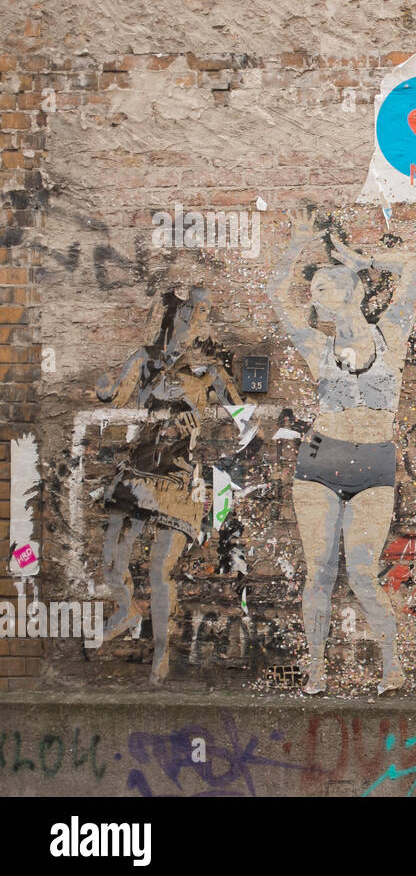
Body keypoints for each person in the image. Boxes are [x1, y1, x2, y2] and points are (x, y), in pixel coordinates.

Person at [268, 209, 416, 695]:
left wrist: (362, 258)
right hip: (320, 462)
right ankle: (315, 671)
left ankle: (391, 667)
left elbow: (414, 265)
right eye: (315, 292)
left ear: (352, 290)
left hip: (375, 465)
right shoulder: (317, 346)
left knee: (360, 573)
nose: (317, 296)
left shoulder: (392, 335)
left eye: (327, 286)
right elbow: (277, 294)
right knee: (320, 571)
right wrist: (295, 247)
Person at [96, 288, 255, 684]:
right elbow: (114, 394)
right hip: (138, 470)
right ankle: (125, 608)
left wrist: (225, 476)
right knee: (112, 559)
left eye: (202, 315)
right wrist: (104, 388)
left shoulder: (210, 372)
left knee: (158, 569)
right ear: (171, 316)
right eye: (189, 313)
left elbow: (245, 422)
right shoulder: (146, 359)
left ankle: (161, 658)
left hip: (180, 479)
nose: (195, 321)